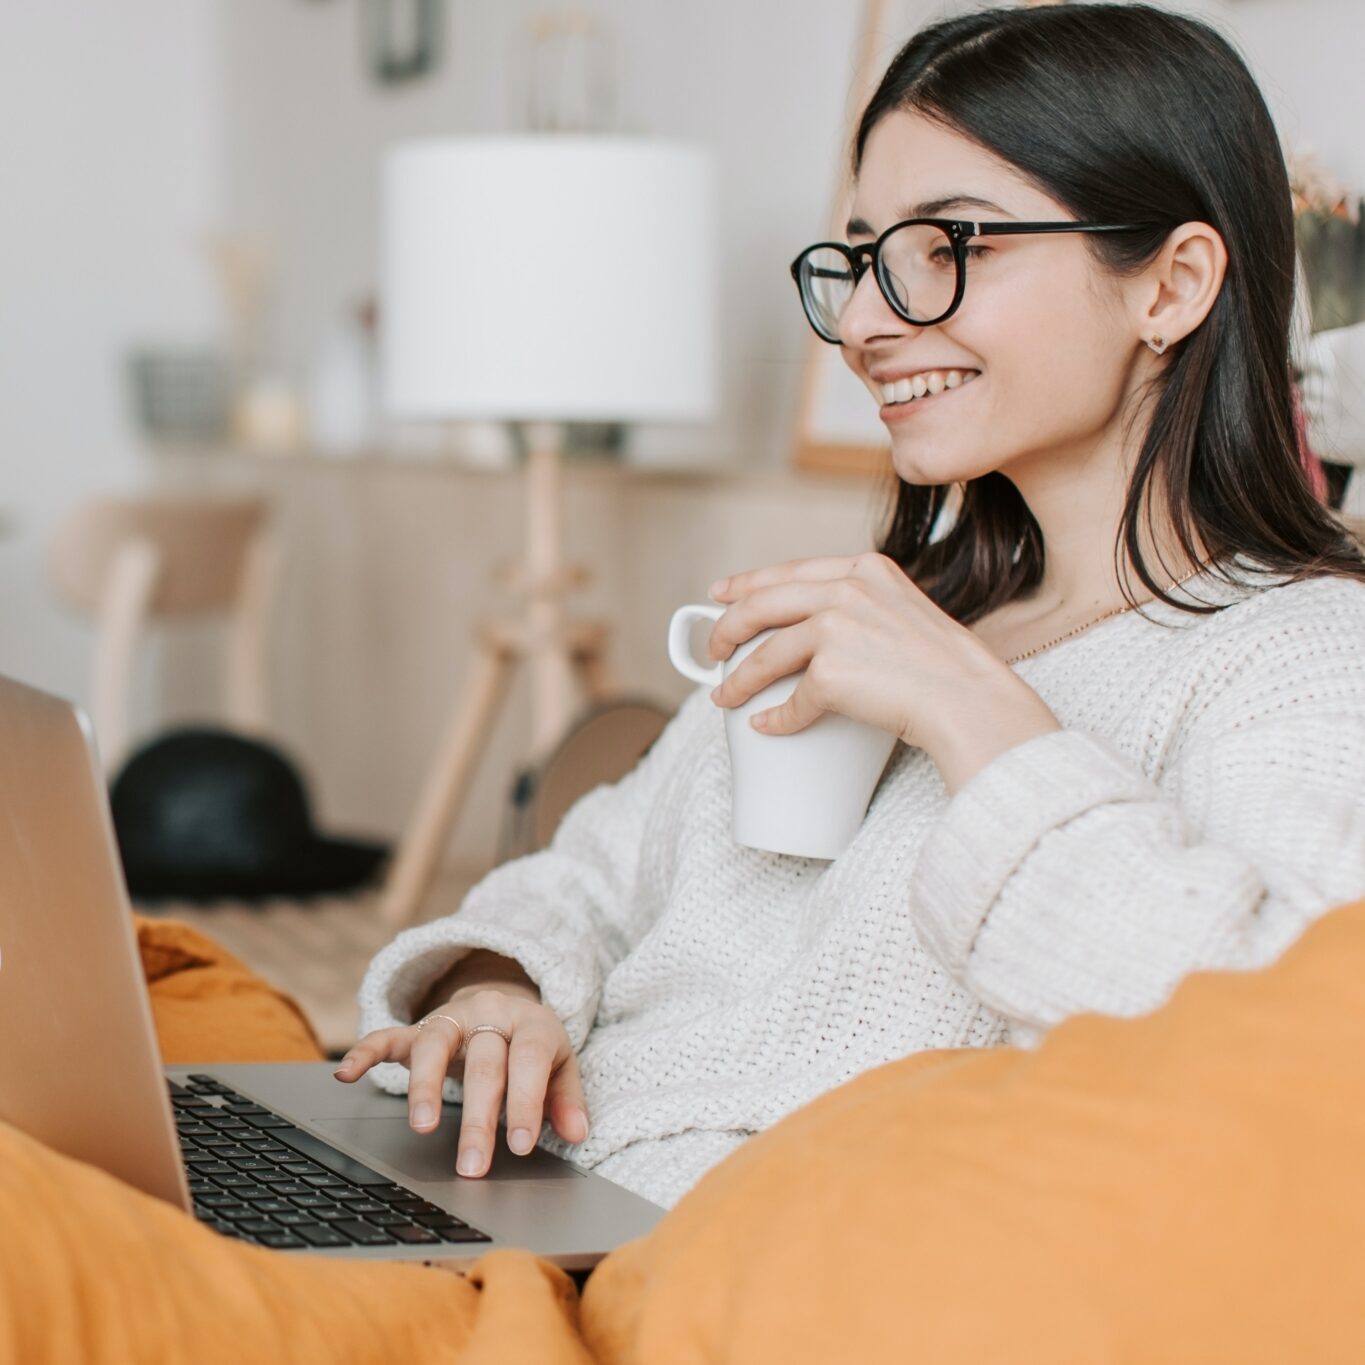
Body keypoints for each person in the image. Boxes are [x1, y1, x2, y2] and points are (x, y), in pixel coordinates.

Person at [340, 2, 1365, 1211]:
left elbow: (1286, 1046)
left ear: (1174, 285)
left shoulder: (1298, 656)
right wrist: (501, 989)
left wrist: (975, 719)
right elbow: (590, 875)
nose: (871, 321)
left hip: (721, 1263)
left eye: (950, 249)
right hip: (520, 1186)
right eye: (868, 256)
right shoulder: (896, 609)